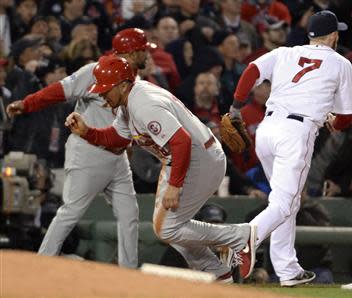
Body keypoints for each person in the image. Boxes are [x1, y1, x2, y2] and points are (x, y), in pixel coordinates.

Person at [64, 55, 257, 282]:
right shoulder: (126, 102)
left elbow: (181, 141)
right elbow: (117, 137)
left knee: (167, 228)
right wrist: (88, 132)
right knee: (168, 227)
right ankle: (217, 272)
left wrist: (175, 186)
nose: (101, 93)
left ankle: (238, 237)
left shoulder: (143, 104)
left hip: (200, 159)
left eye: (106, 89)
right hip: (179, 159)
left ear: (124, 85)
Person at [223, 10, 352, 287]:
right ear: (333, 35)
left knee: (286, 202)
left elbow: (252, 71)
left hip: (266, 130)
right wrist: (333, 120)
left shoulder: (284, 52)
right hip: (296, 133)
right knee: (285, 202)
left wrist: (236, 107)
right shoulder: (341, 63)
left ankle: (287, 269)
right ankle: (245, 238)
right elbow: (345, 118)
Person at [5, 28, 151, 269]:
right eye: (143, 50)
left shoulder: (136, 81)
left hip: (117, 158)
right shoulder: (96, 71)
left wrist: (129, 144)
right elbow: (60, 90)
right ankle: (42, 263)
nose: (147, 54)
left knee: (129, 214)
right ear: (132, 52)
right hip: (88, 153)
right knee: (71, 211)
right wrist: (28, 104)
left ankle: (129, 271)